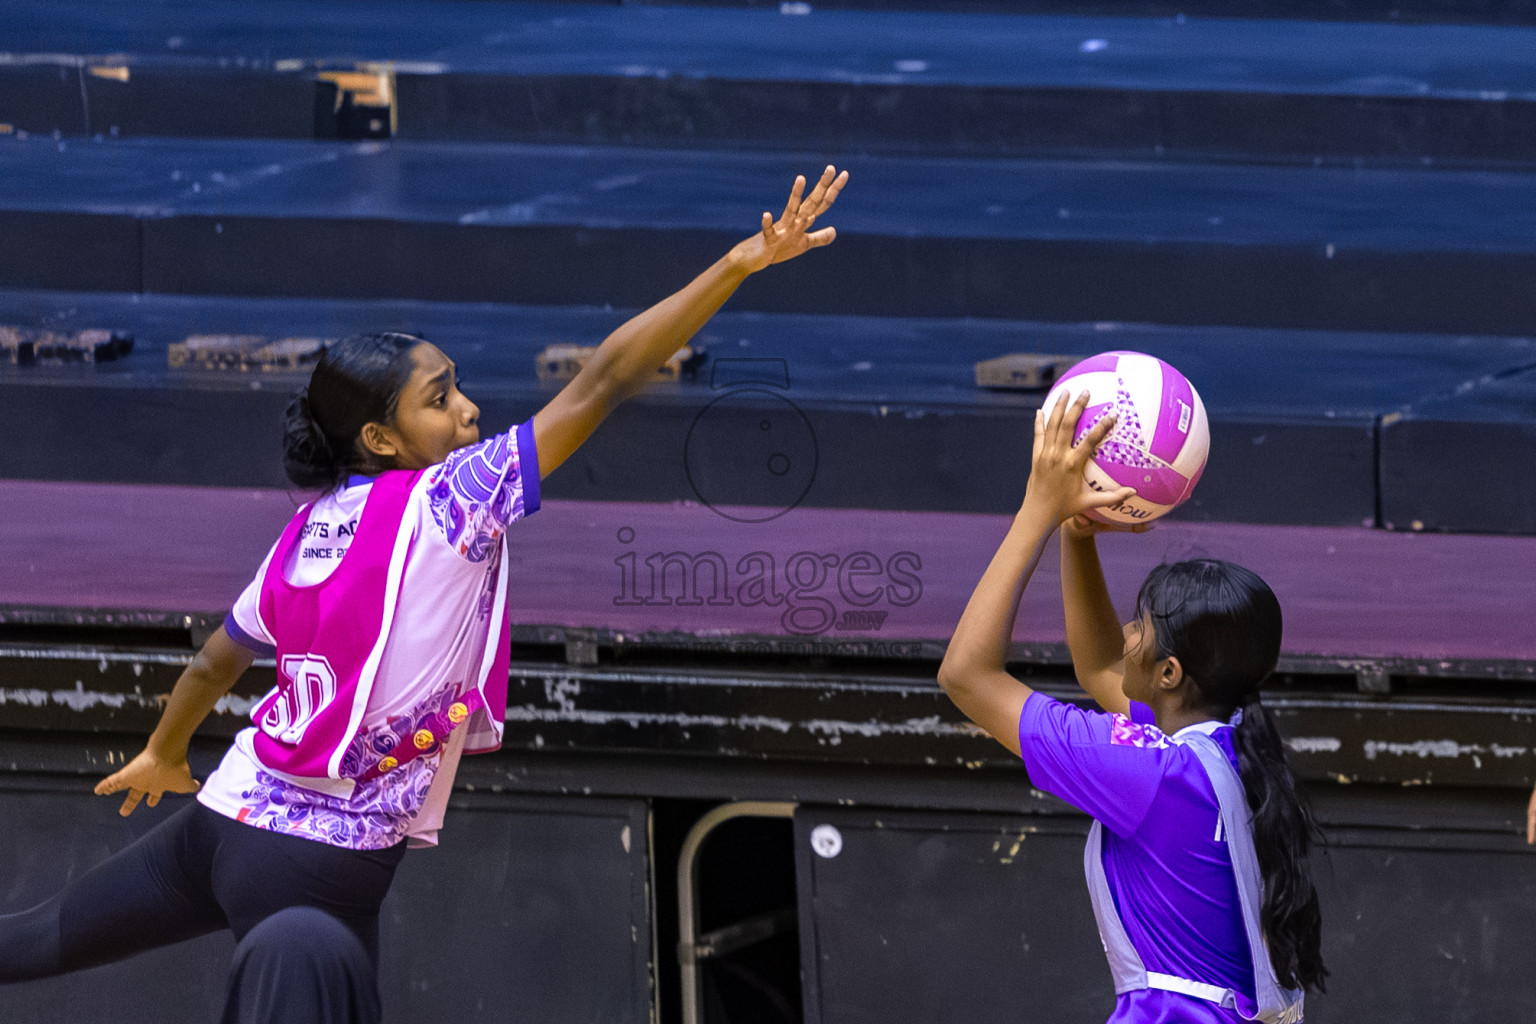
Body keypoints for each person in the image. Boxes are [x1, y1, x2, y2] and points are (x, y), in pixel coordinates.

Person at [0, 166, 848, 1022]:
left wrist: (164, 752)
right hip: (319, 866)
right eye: (441, 400)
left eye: (458, 386)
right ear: (380, 435)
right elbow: (605, 381)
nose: (470, 411)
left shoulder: (307, 527)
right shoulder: (456, 496)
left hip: (224, 818)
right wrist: (736, 266)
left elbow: (216, 662)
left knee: (33, 939)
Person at [937, 390, 1327, 1023]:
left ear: (1171, 674)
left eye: (1139, 625)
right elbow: (1099, 668)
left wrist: (1036, 512)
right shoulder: (1222, 747)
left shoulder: (1147, 772)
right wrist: (1076, 535)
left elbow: (967, 676)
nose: (1128, 634)